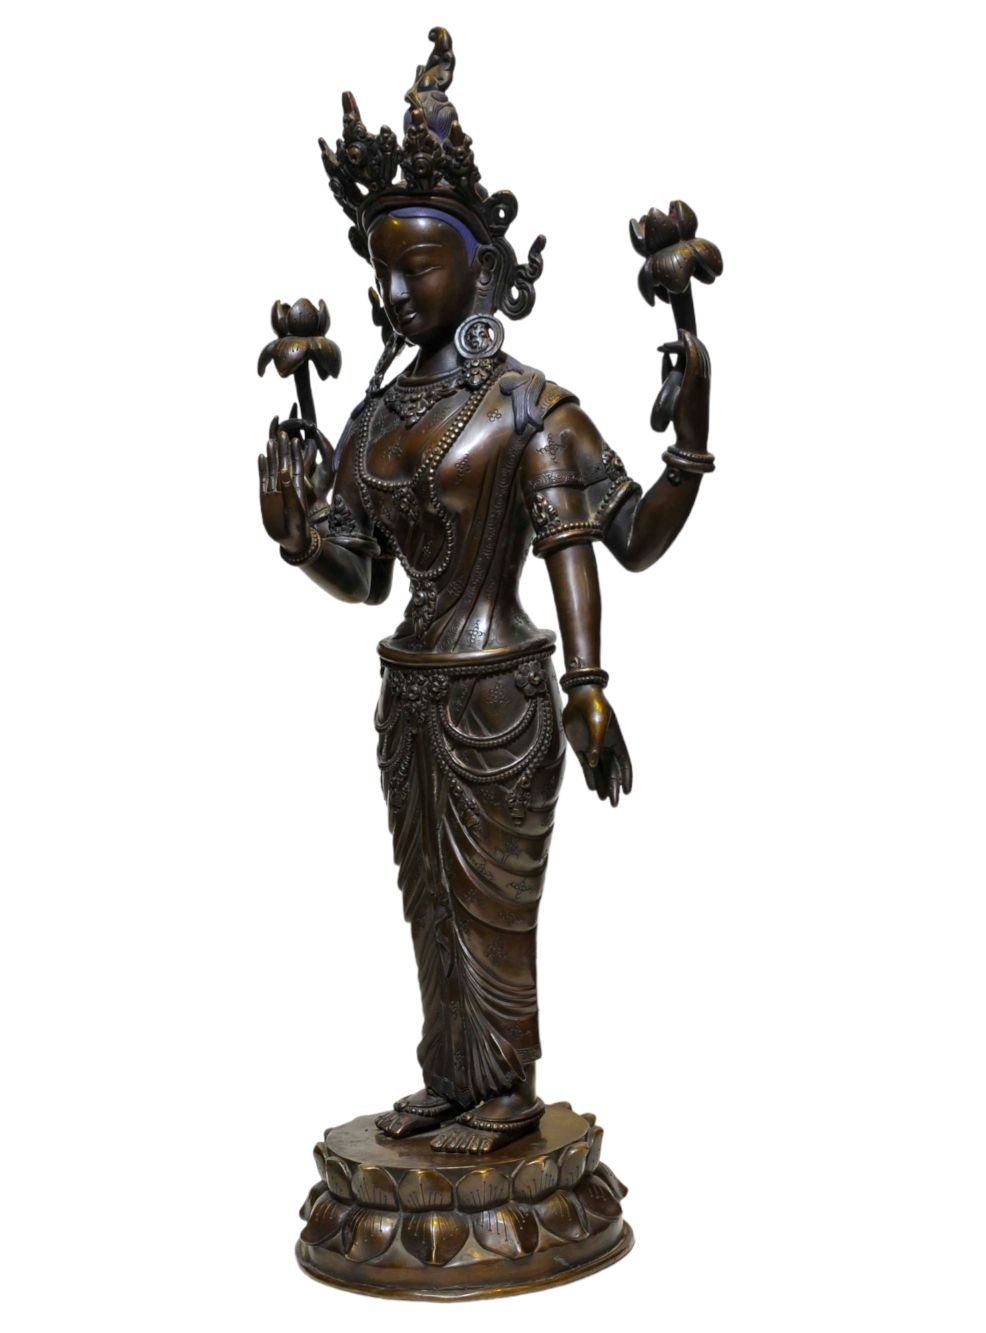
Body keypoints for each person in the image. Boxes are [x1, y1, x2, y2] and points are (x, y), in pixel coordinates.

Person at [257, 28, 716, 1155]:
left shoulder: (523, 404)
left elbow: (606, 543)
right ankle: (450, 1075)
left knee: (495, 907)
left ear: (479, 269)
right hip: (409, 693)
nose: (395, 292)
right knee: (427, 898)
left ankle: (507, 1088)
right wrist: (300, 540)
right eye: (384, 273)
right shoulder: (375, 415)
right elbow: (367, 576)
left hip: (503, 694)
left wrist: (591, 681)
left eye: (418, 267)